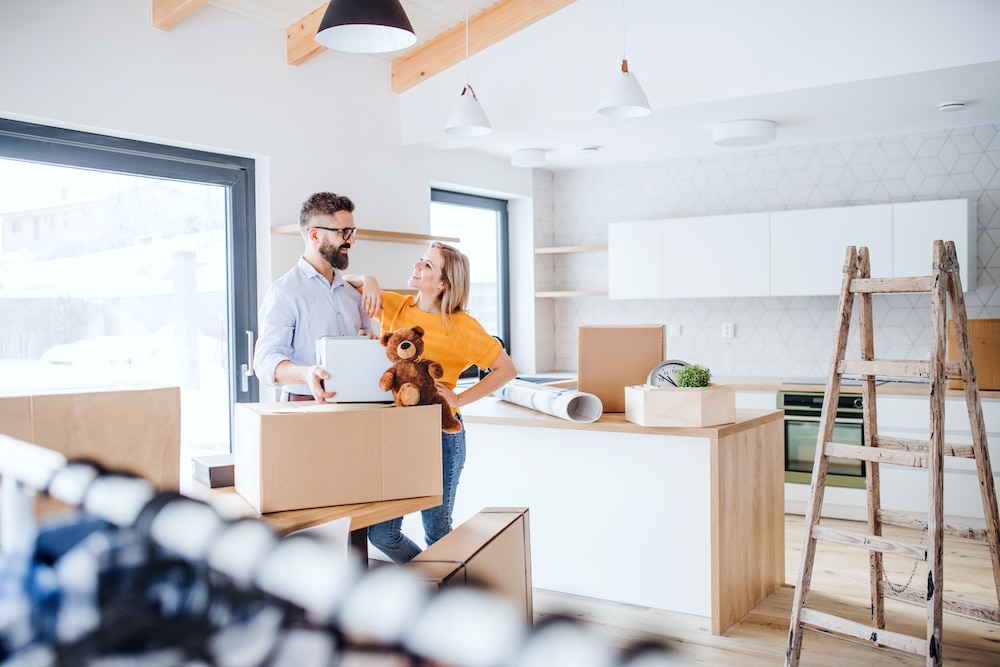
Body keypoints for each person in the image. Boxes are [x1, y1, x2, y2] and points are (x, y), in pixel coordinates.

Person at [346, 242, 517, 563]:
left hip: (442, 434)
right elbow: (346, 281)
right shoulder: (396, 307)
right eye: (421, 260)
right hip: (397, 435)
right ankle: (435, 584)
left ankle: (444, 593)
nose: (417, 266)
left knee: (438, 532)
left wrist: (459, 397)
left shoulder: (464, 327)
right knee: (382, 534)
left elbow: (506, 369)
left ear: (443, 283)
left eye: (428, 265)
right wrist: (368, 277)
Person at [253, 192, 373, 402]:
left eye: (352, 231)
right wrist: (306, 373)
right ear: (315, 235)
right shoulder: (285, 292)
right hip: (304, 406)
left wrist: (367, 348)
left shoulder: (353, 294)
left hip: (356, 404)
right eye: (344, 232)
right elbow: (265, 362)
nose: (351, 240)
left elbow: (368, 347)